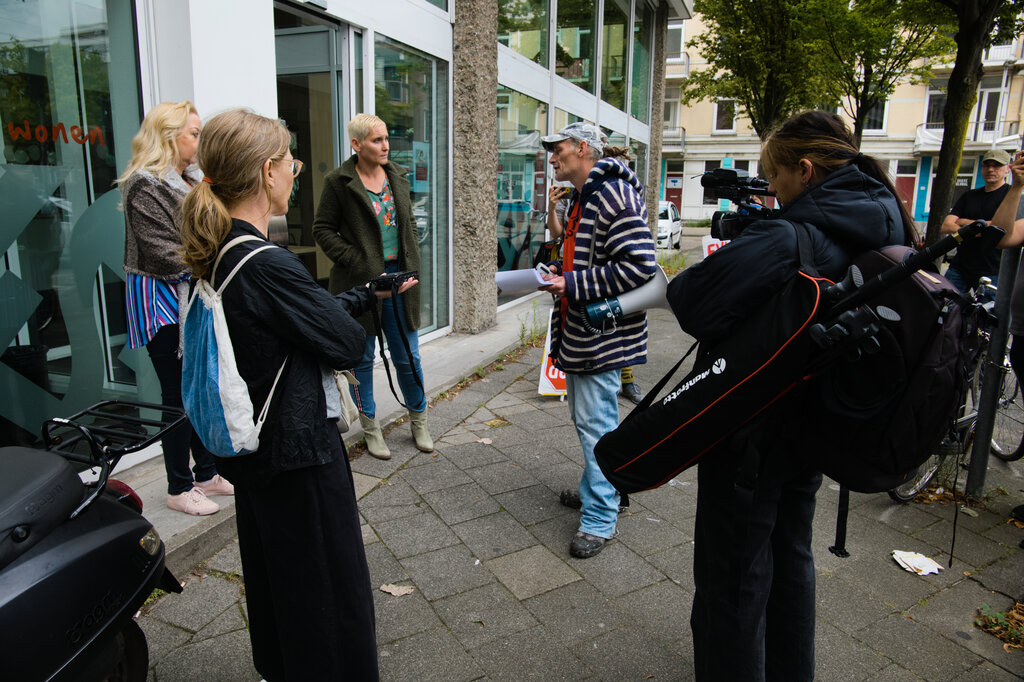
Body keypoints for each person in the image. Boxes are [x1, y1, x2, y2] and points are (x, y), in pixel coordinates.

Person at [667, 111, 916, 680]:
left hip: (755, 428)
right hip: (818, 424)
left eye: (775, 177)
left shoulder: (789, 234)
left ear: (804, 170)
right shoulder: (890, 221)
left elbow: (692, 302)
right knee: (790, 554)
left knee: (734, 575)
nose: (772, 190)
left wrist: (755, 239)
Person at [179, 109, 390, 681]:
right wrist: (355, 313)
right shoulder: (266, 263)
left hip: (256, 456)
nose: (296, 172)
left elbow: (293, 326)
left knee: (280, 584)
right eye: (291, 162)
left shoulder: (222, 249)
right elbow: (346, 345)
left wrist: (363, 293)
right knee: (326, 596)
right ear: (267, 171)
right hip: (299, 456)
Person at [538, 122, 657, 558]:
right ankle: (602, 492)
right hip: (588, 332)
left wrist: (571, 285)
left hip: (600, 336)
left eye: (558, 148)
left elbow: (641, 266)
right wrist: (561, 274)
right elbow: (590, 258)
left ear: (583, 148)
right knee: (595, 423)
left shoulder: (610, 194)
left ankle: (601, 518)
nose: (552, 157)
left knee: (596, 429)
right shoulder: (586, 195)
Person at [119, 101, 233, 516]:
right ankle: (178, 487)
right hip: (161, 301)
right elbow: (164, 253)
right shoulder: (144, 184)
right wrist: (216, 263)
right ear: (169, 137)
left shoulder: (185, 181)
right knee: (177, 395)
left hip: (188, 295)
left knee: (198, 387)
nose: (199, 141)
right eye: (194, 133)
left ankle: (205, 474)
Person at [313, 113, 432, 460]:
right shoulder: (338, 182)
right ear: (356, 144)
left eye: (386, 138)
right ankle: (371, 428)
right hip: (361, 282)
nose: (385, 146)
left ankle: (419, 420)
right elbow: (322, 229)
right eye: (377, 140)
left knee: (408, 355)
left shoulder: (398, 175)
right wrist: (354, 259)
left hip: (401, 280)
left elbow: (407, 223)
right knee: (361, 358)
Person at [546, 183, 645, 406]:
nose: (553, 160)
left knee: (609, 336)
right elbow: (557, 233)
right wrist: (552, 208)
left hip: (585, 281)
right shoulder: (574, 198)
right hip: (572, 274)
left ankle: (626, 380)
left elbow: (634, 265)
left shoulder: (611, 197)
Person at [941, 148, 1014, 298]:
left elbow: (1001, 229)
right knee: (945, 307)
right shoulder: (969, 195)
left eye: (997, 166)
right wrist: (979, 226)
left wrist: (963, 222)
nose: (991, 169)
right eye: (987, 165)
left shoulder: (1011, 196)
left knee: (985, 315)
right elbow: (947, 226)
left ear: (1008, 169)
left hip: (992, 272)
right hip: (959, 267)